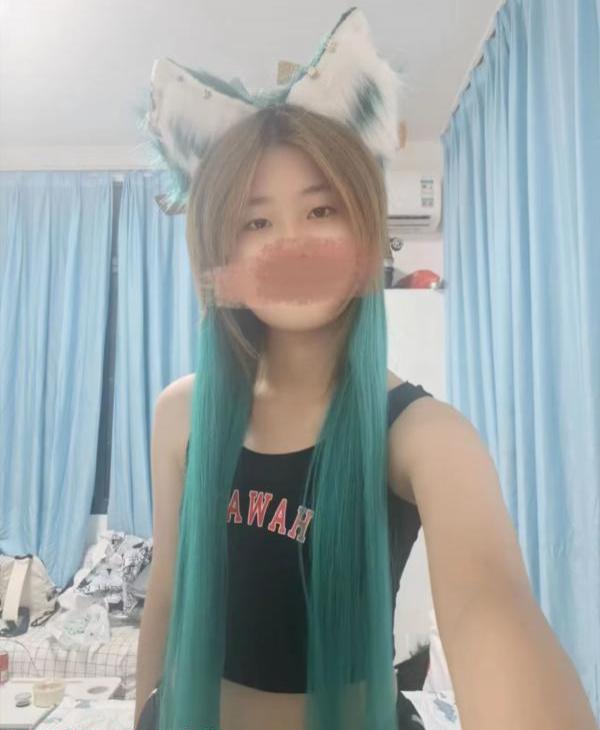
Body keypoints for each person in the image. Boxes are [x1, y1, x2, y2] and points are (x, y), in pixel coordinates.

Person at [133, 105, 599, 730]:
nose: (291, 243)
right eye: (256, 221)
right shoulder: (181, 412)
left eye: (321, 210)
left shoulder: (422, 434)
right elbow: (167, 591)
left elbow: (491, 603)